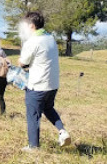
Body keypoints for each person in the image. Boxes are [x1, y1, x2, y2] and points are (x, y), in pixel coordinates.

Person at [18, 11, 71, 151]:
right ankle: (62, 131)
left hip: (37, 85)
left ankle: (33, 147)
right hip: (52, 84)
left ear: (31, 26)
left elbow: (23, 63)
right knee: (48, 108)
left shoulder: (32, 41)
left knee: (33, 115)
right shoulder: (50, 37)